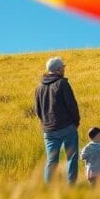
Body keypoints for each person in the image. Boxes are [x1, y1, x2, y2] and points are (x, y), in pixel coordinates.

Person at [35, 56, 81, 184]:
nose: (64, 69)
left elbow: (37, 110)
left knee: (51, 161)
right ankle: (71, 186)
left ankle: (48, 188)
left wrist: (45, 123)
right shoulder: (62, 83)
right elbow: (71, 104)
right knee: (71, 157)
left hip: (48, 130)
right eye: (63, 67)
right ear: (58, 69)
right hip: (67, 127)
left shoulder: (39, 87)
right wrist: (76, 122)